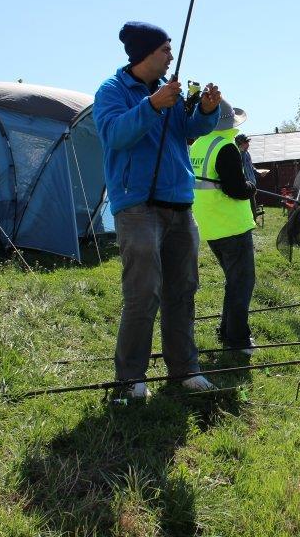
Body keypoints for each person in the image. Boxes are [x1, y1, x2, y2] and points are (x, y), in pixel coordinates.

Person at [93, 21, 221, 399]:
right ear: (146, 53)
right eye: (165, 49)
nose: (170, 56)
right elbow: (114, 135)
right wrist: (151, 106)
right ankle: (131, 379)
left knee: (183, 290)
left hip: (180, 204)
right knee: (143, 292)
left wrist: (207, 112)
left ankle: (185, 369)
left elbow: (187, 131)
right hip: (138, 207)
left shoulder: (170, 93)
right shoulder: (112, 91)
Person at [191, 104, 258, 354]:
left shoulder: (198, 144)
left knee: (234, 280)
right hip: (231, 225)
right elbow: (236, 189)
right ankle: (238, 340)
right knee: (242, 283)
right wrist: (251, 186)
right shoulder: (226, 147)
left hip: (209, 226)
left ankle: (226, 330)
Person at [235, 133, 267, 220]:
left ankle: (252, 226)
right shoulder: (236, 154)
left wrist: (259, 173)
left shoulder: (247, 153)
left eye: (248, 142)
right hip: (244, 187)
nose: (248, 144)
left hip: (251, 186)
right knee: (247, 212)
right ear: (240, 144)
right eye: (246, 142)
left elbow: (251, 167)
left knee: (253, 211)